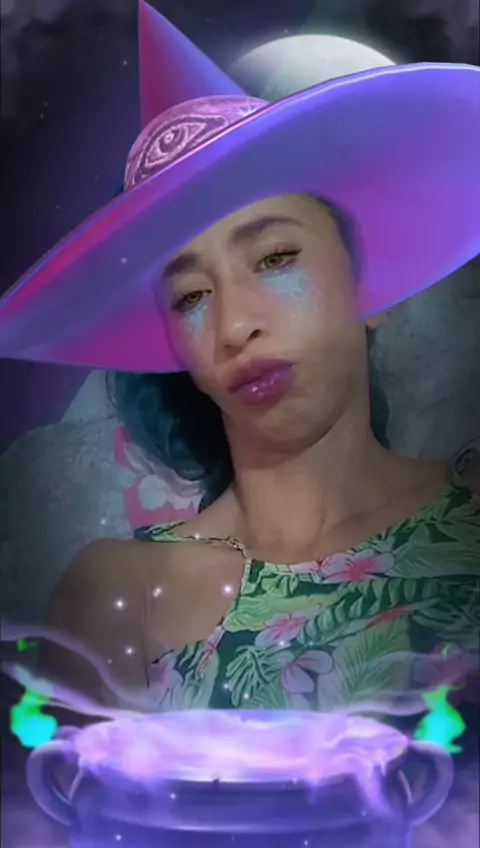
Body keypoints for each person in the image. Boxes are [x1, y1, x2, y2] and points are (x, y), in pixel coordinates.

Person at [1, 2, 479, 716]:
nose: (233, 327)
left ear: (365, 289)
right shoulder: (118, 591)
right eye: (191, 296)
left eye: (276, 258)